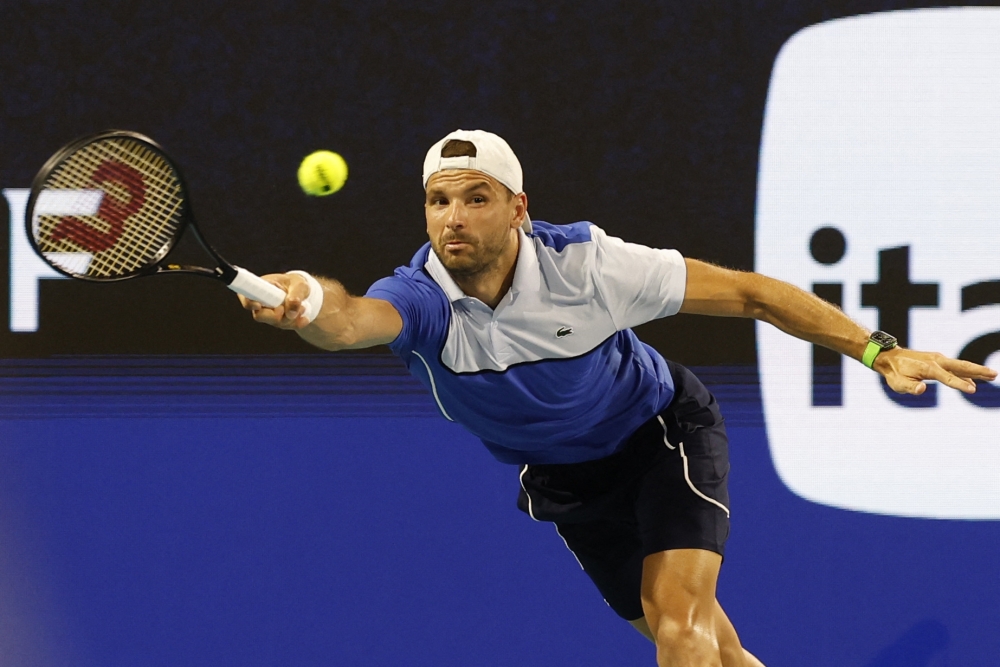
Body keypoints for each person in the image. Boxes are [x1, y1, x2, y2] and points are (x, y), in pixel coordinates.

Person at [239, 130, 996, 667]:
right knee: (718, 652)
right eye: (439, 201)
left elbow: (752, 294)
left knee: (682, 630)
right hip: (567, 480)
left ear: (518, 208)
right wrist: (306, 297)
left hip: (660, 437)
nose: (454, 218)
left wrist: (878, 350)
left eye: (476, 198)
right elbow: (349, 320)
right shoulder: (421, 299)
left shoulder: (588, 267)